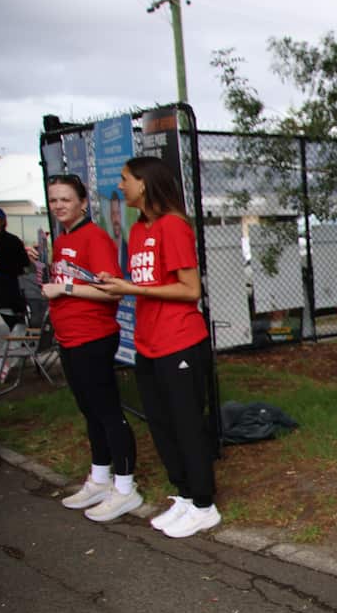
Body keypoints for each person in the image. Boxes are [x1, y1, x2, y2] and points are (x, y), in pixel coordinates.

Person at [93, 156, 219, 539]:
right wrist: (113, 282)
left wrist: (131, 288)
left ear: (144, 184)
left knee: (186, 426)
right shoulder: (139, 229)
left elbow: (190, 290)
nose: (121, 186)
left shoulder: (173, 227)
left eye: (125, 179)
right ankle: (183, 495)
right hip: (148, 345)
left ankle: (204, 504)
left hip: (180, 342)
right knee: (162, 426)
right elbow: (146, 281)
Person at [40, 174, 142, 521]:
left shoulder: (94, 238)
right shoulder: (62, 238)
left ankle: (126, 488)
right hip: (69, 338)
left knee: (108, 411)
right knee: (90, 411)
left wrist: (65, 290)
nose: (58, 206)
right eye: (53, 200)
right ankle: (100, 478)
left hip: (93, 337)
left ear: (83, 202)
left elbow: (113, 290)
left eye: (65, 199)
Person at [0, 205, 30, 329]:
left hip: (6, 289)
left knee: (8, 321)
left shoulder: (12, 241)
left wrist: (0, 265)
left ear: (2, 222)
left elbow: (23, 265)